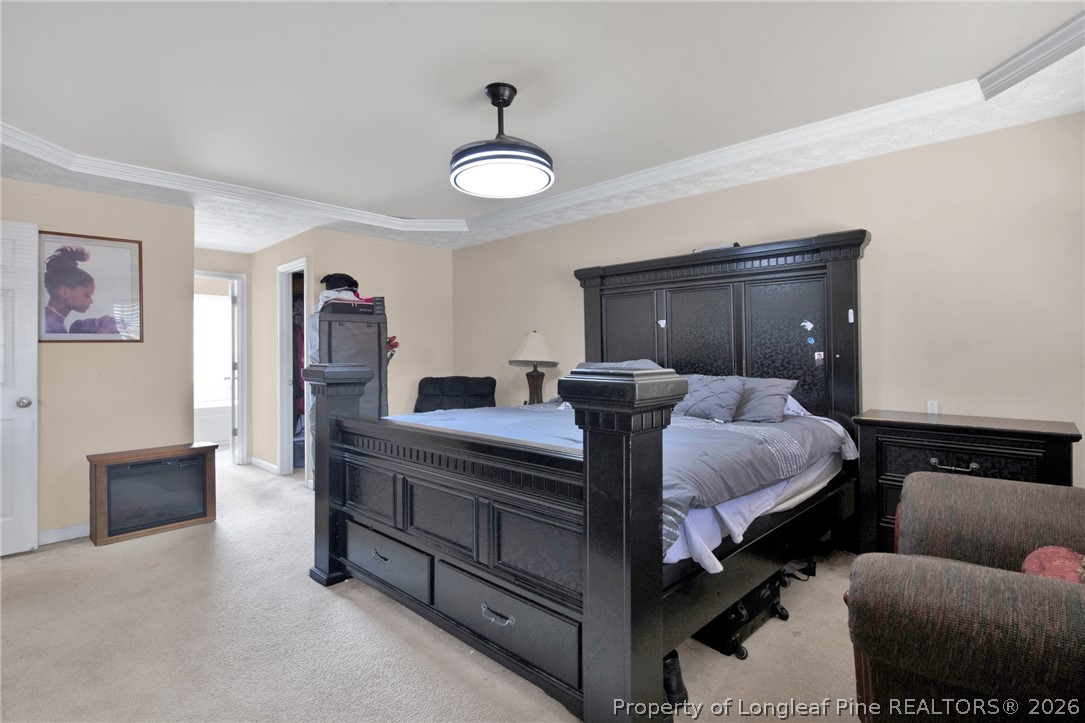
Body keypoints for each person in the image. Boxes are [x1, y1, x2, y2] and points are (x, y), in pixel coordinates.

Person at [42, 245, 119, 334]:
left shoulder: (53, 321)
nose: (91, 301)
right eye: (87, 295)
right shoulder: (52, 327)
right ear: (63, 292)